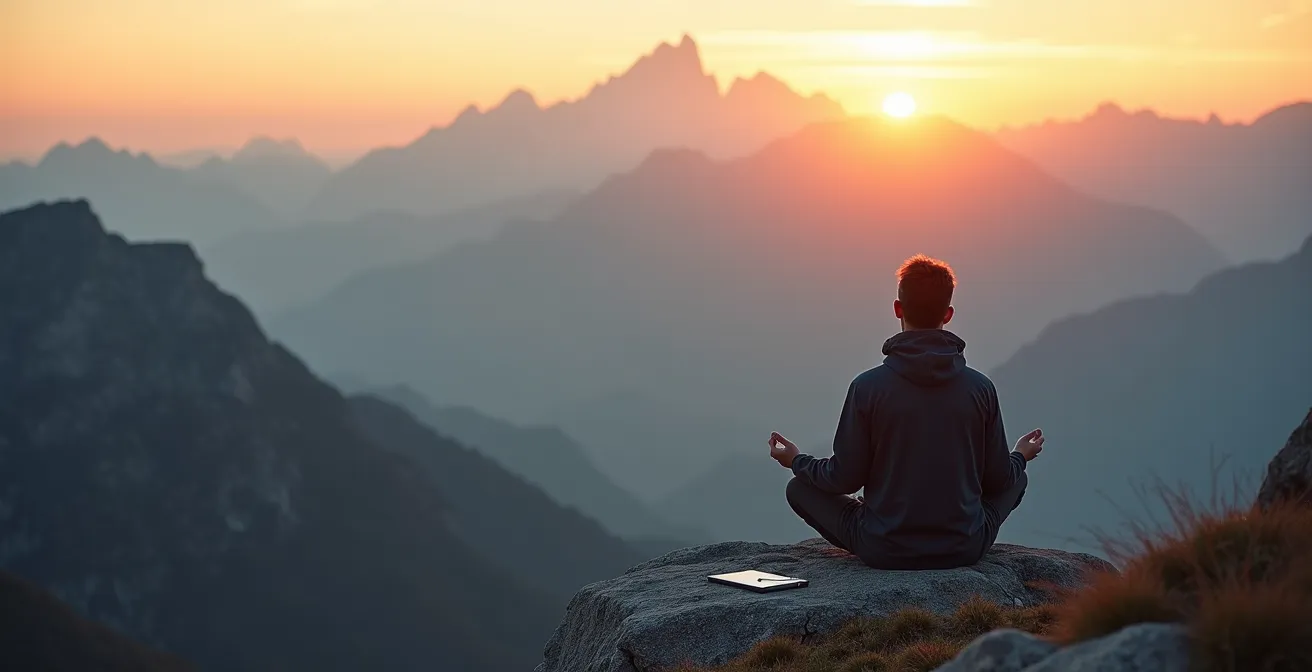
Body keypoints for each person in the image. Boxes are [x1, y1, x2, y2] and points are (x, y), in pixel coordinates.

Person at [768, 254, 1044, 570]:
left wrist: (795, 461)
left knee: (799, 487)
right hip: (964, 546)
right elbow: (998, 480)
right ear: (949, 314)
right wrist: (1020, 455)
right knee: (1017, 478)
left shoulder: (867, 387)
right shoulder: (979, 389)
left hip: (883, 547)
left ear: (898, 309)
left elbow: (843, 478)